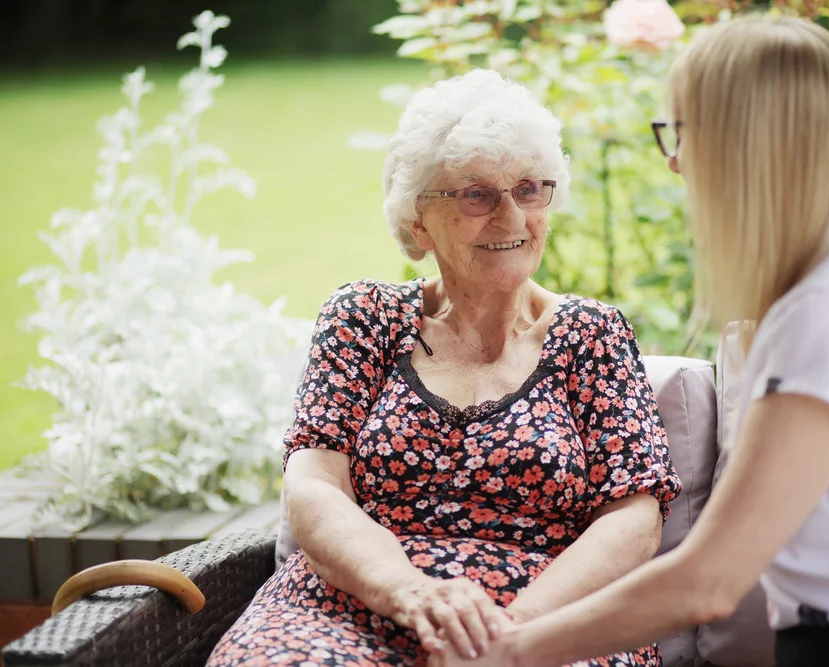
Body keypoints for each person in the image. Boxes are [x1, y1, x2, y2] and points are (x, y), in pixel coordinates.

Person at [438, 15, 829, 667]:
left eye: (681, 133)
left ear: (748, 145)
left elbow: (708, 580)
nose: (674, 160)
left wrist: (509, 652)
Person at [207, 69, 681, 667]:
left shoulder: (592, 334)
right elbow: (314, 486)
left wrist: (511, 633)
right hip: (348, 608)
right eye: (477, 194)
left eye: (530, 188)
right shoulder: (364, 318)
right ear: (417, 220)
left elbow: (633, 516)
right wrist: (411, 593)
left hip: (548, 621)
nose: (511, 217)